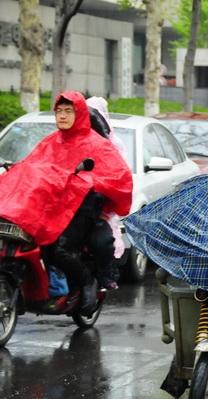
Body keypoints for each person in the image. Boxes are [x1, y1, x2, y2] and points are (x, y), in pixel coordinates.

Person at [0, 91, 132, 315]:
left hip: (81, 209)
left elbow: (119, 176)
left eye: (68, 111)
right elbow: (31, 167)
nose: (62, 116)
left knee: (60, 249)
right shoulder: (50, 142)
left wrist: (88, 181)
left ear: (79, 113)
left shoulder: (99, 145)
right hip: (51, 206)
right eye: (59, 111)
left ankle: (87, 282)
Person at [86, 96, 128, 290]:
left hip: (98, 205)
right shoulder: (68, 140)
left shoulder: (112, 146)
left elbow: (119, 174)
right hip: (68, 203)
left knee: (101, 240)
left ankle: (104, 275)